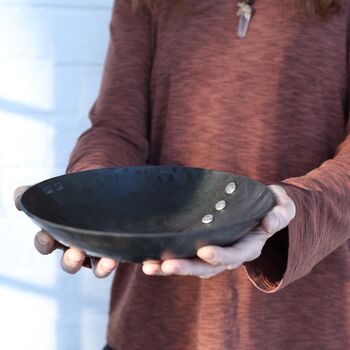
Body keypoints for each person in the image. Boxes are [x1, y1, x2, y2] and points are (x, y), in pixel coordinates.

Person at [14, 0, 350, 349]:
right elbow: (117, 128)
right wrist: (90, 194)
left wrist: (294, 207)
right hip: (154, 319)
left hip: (305, 320)